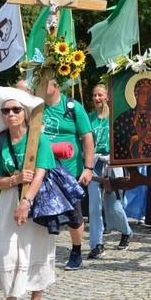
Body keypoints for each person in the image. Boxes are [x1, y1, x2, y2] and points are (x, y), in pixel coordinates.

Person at [0, 86, 57, 300]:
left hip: (36, 199)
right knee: (7, 248)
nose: (11, 114)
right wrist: (14, 180)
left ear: (25, 112)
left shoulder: (38, 138)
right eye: (6, 110)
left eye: (16, 109)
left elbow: (40, 172)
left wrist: (26, 202)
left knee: (35, 246)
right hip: (8, 200)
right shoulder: (0, 143)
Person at [43, 79, 94, 271]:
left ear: (55, 85)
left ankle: (76, 251)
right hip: (44, 171)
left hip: (70, 171)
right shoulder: (35, 107)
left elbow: (87, 137)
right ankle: (43, 252)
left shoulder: (72, 107)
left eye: (43, 83)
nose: (38, 86)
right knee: (44, 213)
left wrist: (88, 168)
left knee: (74, 215)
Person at [86, 84, 131, 259]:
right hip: (94, 163)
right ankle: (97, 244)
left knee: (113, 205)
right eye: (94, 95)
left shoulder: (114, 116)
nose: (97, 98)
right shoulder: (89, 118)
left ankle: (126, 231)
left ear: (106, 97)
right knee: (94, 205)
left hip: (112, 163)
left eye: (100, 95)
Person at [113, 74, 151, 160]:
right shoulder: (124, 118)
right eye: (142, 93)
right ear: (136, 94)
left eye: (149, 93)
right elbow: (120, 143)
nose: (146, 98)